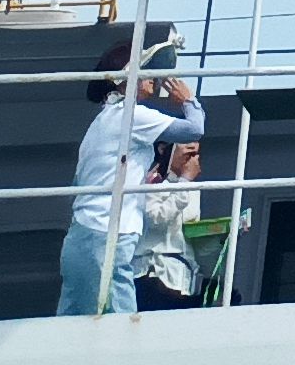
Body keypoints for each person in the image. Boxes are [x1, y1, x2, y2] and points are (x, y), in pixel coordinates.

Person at [60, 39, 199, 318]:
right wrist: (189, 101)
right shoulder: (130, 114)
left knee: (76, 317)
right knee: (119, 320)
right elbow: (194, 129)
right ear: (125, 79)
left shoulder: (101, 121)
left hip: (85, 230)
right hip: (107, 230)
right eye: (145, 71)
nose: (152, 79)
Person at [132, 138, 207, 310]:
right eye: (188, 153)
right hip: (154, 274)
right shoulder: (152, 179)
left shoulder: (192, 188)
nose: (192, 160)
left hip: (183, 279)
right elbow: (156, 219)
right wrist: (185, 181)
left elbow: (187, 235)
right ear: (164, 149)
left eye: (195, 155)